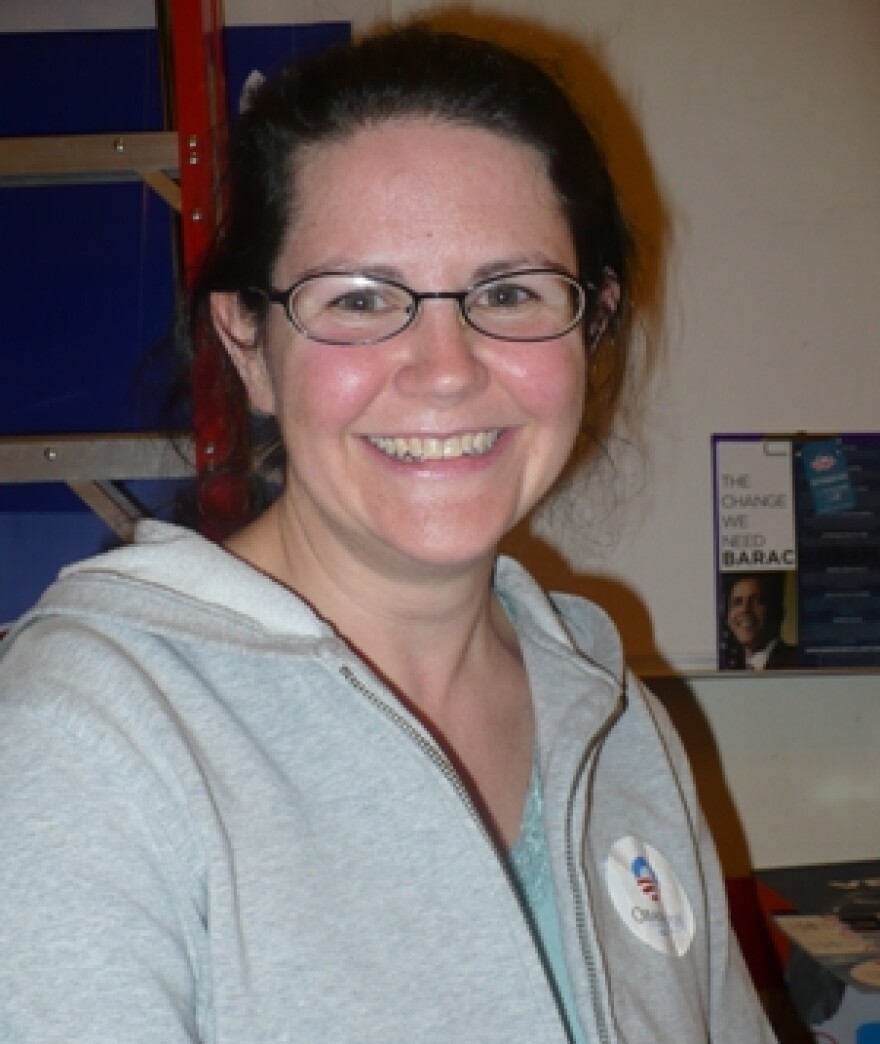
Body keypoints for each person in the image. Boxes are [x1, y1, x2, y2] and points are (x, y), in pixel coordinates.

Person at [0, 24, 777, 1043]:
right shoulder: (90, 737)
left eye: (509, 292)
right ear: (250, 345)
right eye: (361, 300)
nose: (446, 368)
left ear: (590, 325)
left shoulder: (613, 721)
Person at [723, 571, 800, 670]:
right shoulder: (728, 666)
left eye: (756, 601)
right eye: (737, 602)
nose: (745, 609)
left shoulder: (800, 662)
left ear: (778, 612)